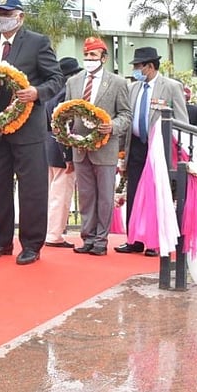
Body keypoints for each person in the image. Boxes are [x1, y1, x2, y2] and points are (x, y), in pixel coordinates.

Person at [0, 0, 63, 265]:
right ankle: (0, 241)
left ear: (20, 16)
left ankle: (32, 244)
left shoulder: (37, 43)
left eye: (7, 13)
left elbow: (56, 78)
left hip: (28, 128)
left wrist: (37, 92)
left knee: (32, 188)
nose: (2, 18)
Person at [117, 46, 189, 256]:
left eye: (139, 66)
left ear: (150, 66)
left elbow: (182, 121)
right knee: (134, 192)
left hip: (160, 148)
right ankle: (134, 239)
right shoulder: (133, 88)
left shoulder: (171, 87)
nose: (136, 70)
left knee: (156, 194)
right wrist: (121, 151)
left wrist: (178, 148)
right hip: (137, 144)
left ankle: (154, 241)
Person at [65, 37, 132, 257]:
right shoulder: (73, 82)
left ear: (103, 58)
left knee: (104, 196)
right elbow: (66, 112)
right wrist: (63, 131)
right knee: (85, 195)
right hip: (79, 148)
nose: (88, 59)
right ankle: (88, 237)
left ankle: (101, 240)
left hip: (105, 148)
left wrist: (112, 126)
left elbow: (126, 115)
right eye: (86, 55)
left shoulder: (118, 83)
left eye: (93, 55)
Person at [44, 56, 83, 248]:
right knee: (61, 195)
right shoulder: (65, 94)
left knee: (51, 193)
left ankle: (49, 231)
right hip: (60, 150)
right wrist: (68, 155)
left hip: (47, 147)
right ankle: (54, 234)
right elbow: (62, 125)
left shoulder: (51, 93)